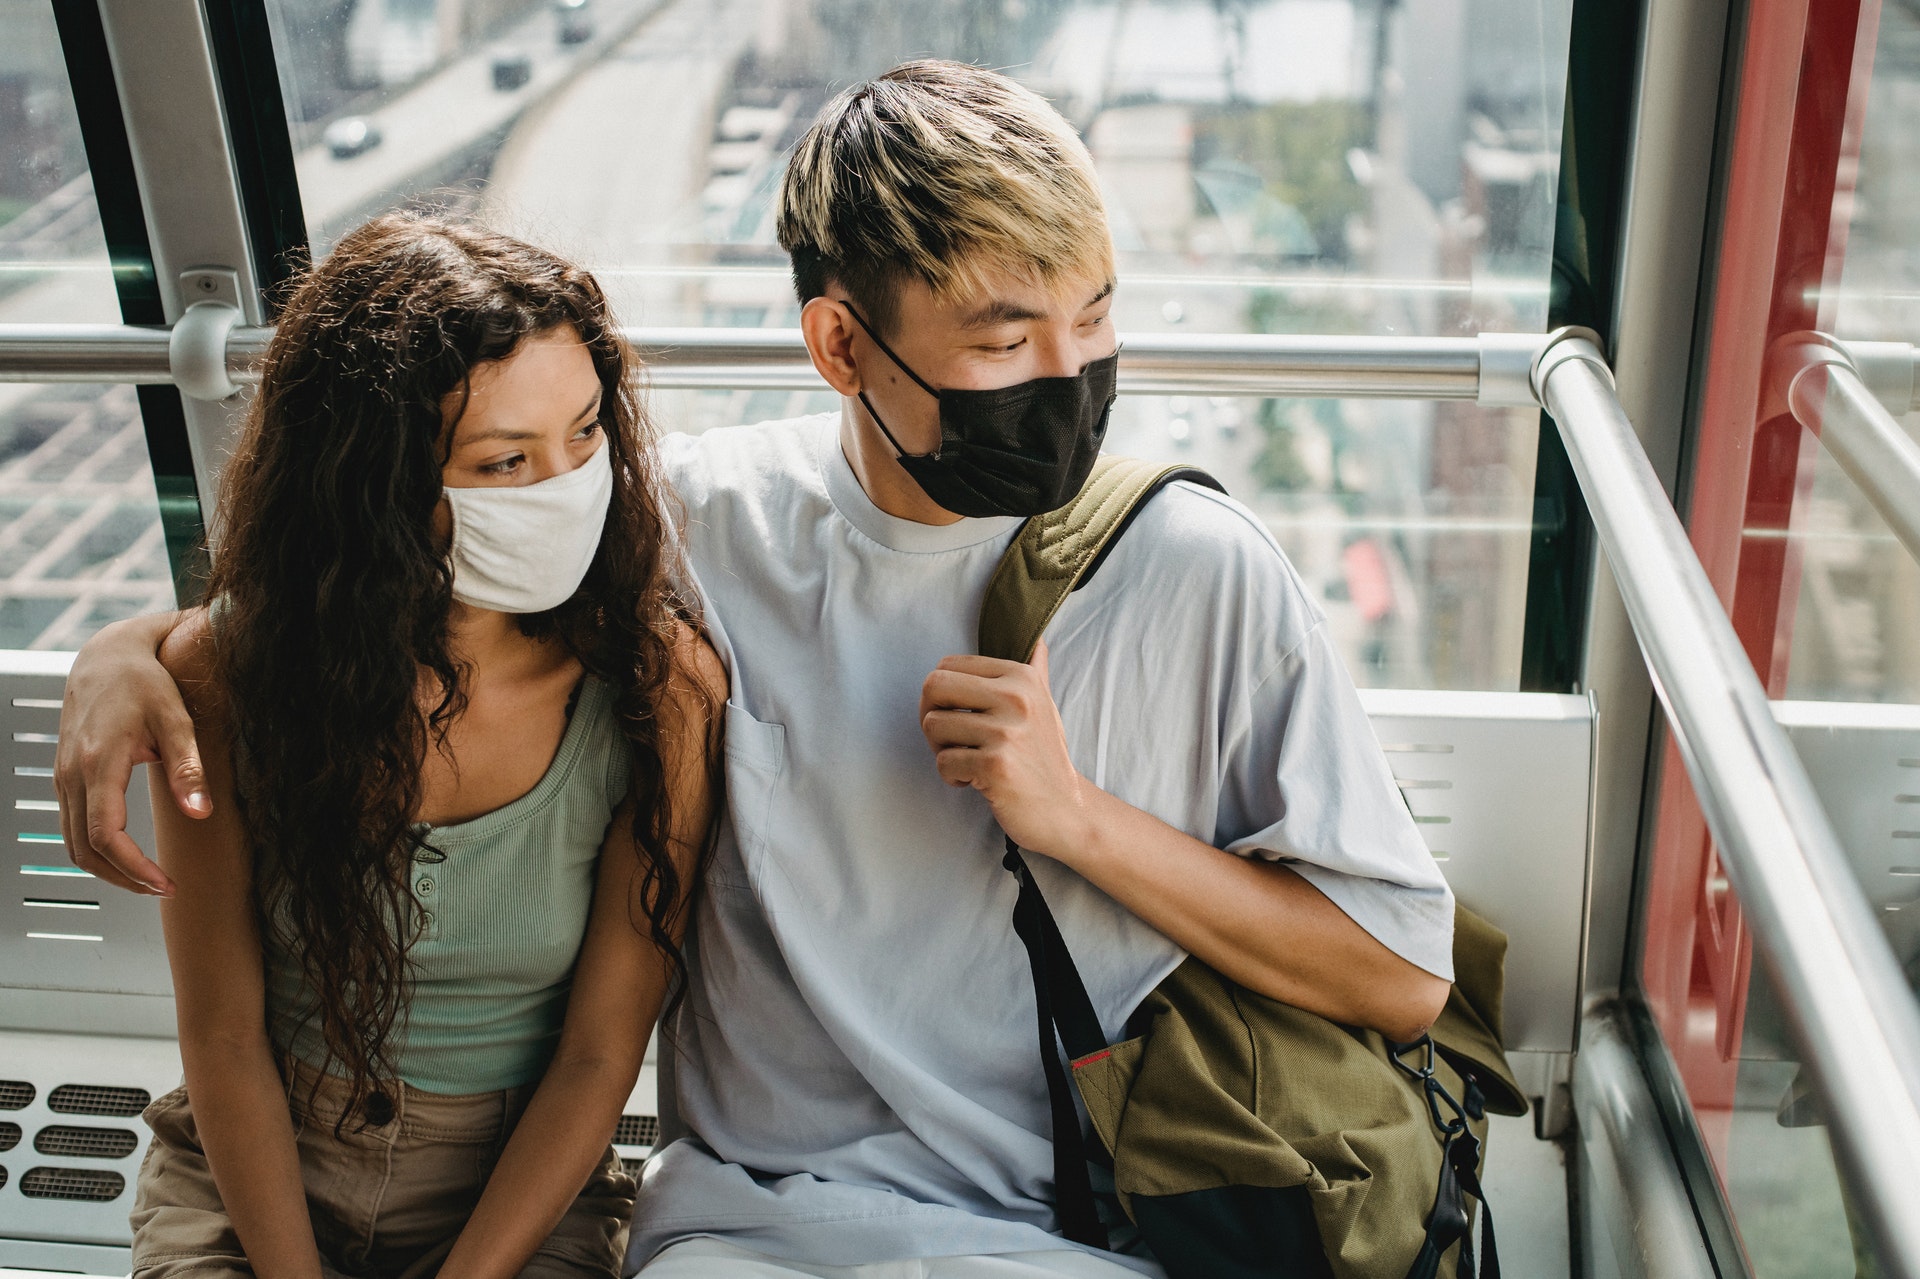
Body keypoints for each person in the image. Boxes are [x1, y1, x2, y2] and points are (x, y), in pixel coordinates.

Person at [59, 62, 1452, 1278]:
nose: (1070, 374)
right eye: (1004, 336)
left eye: (1093, 319)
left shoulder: (1200, 569)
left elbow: (1397, 976)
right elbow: (393, 557)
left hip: (1075, 1225)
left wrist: (1081, 822)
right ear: (842, 344)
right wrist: (126, 657)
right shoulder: (695, 531)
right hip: (750, 1223)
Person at [120, 214, 722, 1279]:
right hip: (257, 1176)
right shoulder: (229, 675)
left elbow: (597, 1056)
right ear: (377, 486)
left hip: (514, 1195)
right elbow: (221, 1037)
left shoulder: (657, 692)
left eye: (586, 434)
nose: (568, 483)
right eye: (505, 461)